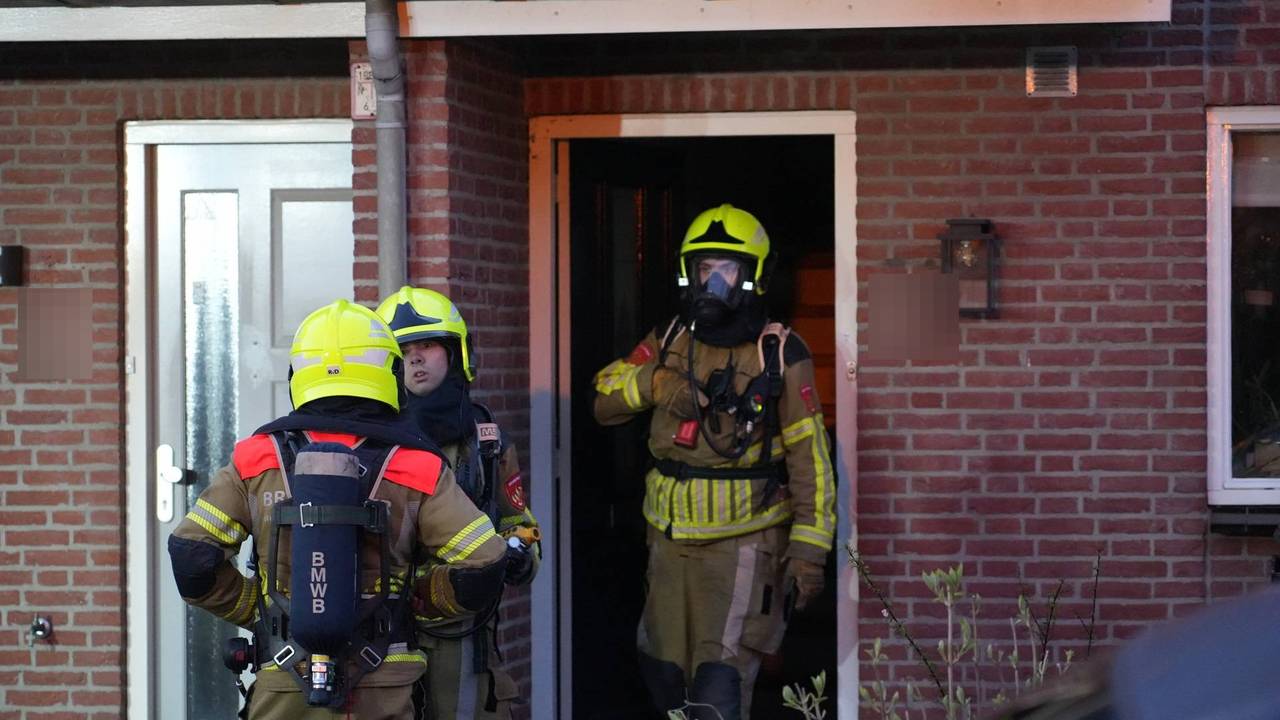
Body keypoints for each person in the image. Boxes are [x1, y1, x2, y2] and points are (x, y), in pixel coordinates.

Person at [167, 299, 509, 720]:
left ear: (299, 375)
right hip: (386, 684)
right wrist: (418, 601)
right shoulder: (417, 464)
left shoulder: (257, 458)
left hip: (283, 683)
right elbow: (484, 563)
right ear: (389, 374)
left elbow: (191, 558)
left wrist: (256, 608)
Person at [592, 204, 836, 719]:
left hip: (743, 546)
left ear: (754, 276)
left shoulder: (780, 354)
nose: (714, 283)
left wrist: (810, 552)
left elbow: (810, 458)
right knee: (661, 675)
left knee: (718, 687)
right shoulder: (671, 338)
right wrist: (655, 384)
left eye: (727, 270)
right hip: (666, 542)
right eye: (705, 269)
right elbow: (604, 398)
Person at [376, 286, 541, 720]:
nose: (414, 358)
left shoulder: (487, 445)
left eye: (427, 345)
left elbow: (518, 521)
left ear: (456, 354)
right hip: (386, 635)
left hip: (465, 637)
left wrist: (523, 552)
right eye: (403, 348)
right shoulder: (372, 442)